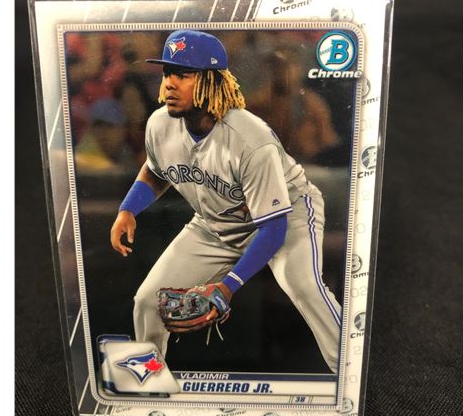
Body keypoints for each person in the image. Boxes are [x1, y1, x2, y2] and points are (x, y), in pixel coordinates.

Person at [109, 30, 341, 373]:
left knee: (303, 286)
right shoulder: (160, 124)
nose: (170, 83)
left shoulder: (250, 139)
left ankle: (350, 370)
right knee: (147, 301)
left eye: (183, 75)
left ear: (212, 81)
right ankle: (147, 386)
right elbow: (157, 170)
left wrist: (228, 286)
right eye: (168, 72)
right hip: (215, 222)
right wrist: (128, 209)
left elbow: (273, 227)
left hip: (287, 214)